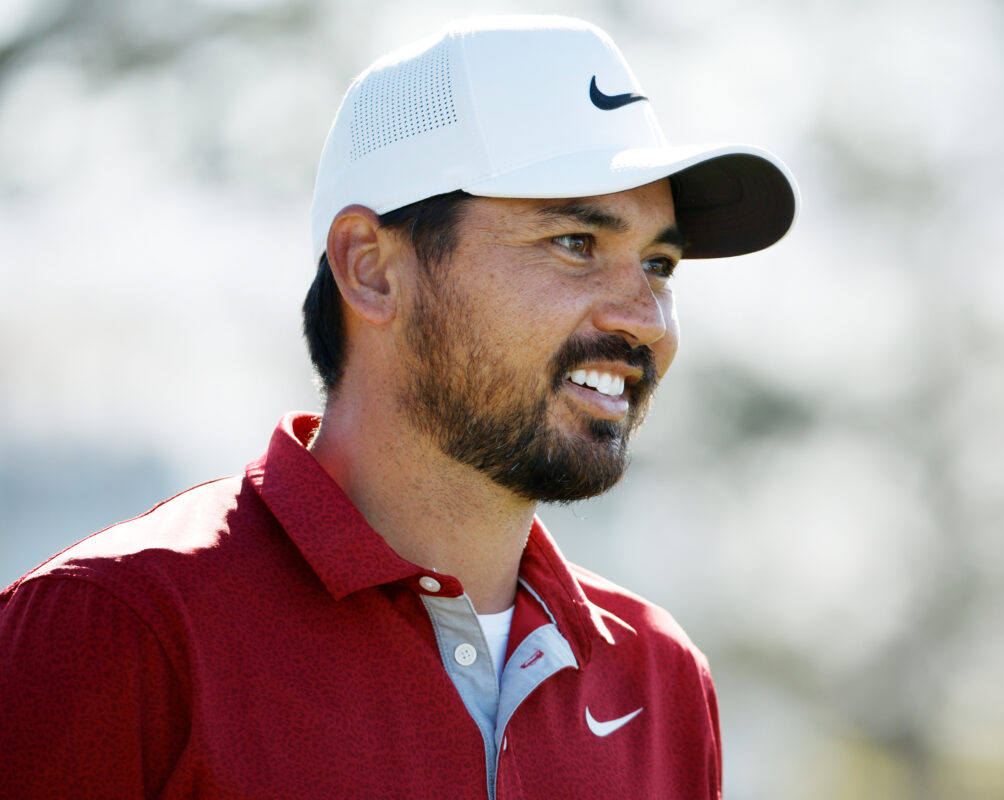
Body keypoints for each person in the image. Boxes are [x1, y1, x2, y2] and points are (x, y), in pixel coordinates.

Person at [0, 15, 796, 800]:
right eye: (575, 244)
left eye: (659, 264)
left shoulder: (661, 679)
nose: (645, 319)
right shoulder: (112, 632)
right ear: (370, 269)